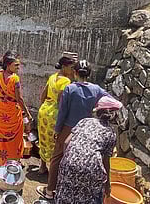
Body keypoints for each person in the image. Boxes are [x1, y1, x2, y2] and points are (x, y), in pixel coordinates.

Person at [37, 60, 110, 200]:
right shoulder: (96, 89)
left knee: (57, 158)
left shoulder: (70, 89)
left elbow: (63, 112)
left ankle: (49, 191)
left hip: (68, 129)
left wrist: (57, 131)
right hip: (87, 130)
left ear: (75, 73)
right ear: (89, 74)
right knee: (79, 158)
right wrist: (96, 112)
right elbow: (113, 101)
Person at [53, 96, 122, 204]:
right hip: (91, 169)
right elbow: (106, 161)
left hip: (69, 162)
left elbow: (66, 143)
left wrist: (70, 160)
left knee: (66, 193)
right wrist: (107, 184)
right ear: (114, 115)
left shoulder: (85, 121)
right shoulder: (110, 133)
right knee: (89, 197)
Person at [0, 51, 32, 166]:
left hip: (2, 111)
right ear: (8, 65)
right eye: (16, 65)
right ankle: (14, 162)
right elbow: (19, 99)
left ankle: (3, 162)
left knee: (3, 138)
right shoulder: (15, 79)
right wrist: (28, 114)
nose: (18, 67)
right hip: (13, 113)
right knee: (15, 138)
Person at [36, 53, 77, 175]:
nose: (73, 70)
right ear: (64, 67)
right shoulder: (66, 81)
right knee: (56, 143)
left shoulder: (53, 77)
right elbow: (61, 102)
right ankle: (55, 171)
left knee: (43, 139)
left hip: (44, 111)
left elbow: (43, 95)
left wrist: (44, 107)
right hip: (54, 114)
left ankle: (42, 166)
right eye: (71, 67)